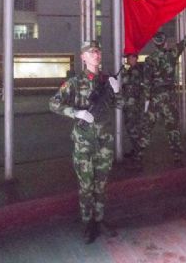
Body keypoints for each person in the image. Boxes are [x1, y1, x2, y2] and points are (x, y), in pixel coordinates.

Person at [49, 40, 121, 244]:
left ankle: (99, 219)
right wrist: (76, 112)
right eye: (91, 52)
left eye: (98, 51)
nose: (96, 55)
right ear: (83, 57)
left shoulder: (107, 81)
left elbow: (120, 104)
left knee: (101, 184)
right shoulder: (74, 82)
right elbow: (53, 103)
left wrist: (117, 91)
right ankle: (87, 223)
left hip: (104, 141)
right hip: (84, 142)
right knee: (86, 185)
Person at [142, 15, 186, 165]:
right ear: (165, 43)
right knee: (172, 127)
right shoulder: (172, 55)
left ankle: (138, 157)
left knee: (147, 128)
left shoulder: (149, 60)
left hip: (155, 97)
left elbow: (146, 81)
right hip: (169, 96)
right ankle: (177, 156)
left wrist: (147, 100)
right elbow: (185, 41)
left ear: (155, 43)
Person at [121, 52, 150, 168]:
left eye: (128, 57)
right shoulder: (132, 70)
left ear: (134, 58)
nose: (127, 60)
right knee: (131, 128)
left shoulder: (136, 70)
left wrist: (123, 74)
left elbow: (129, 84)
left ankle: (138, 154)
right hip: (130, 104)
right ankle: (136, 150)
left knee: (133, 129)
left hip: (134, 105)